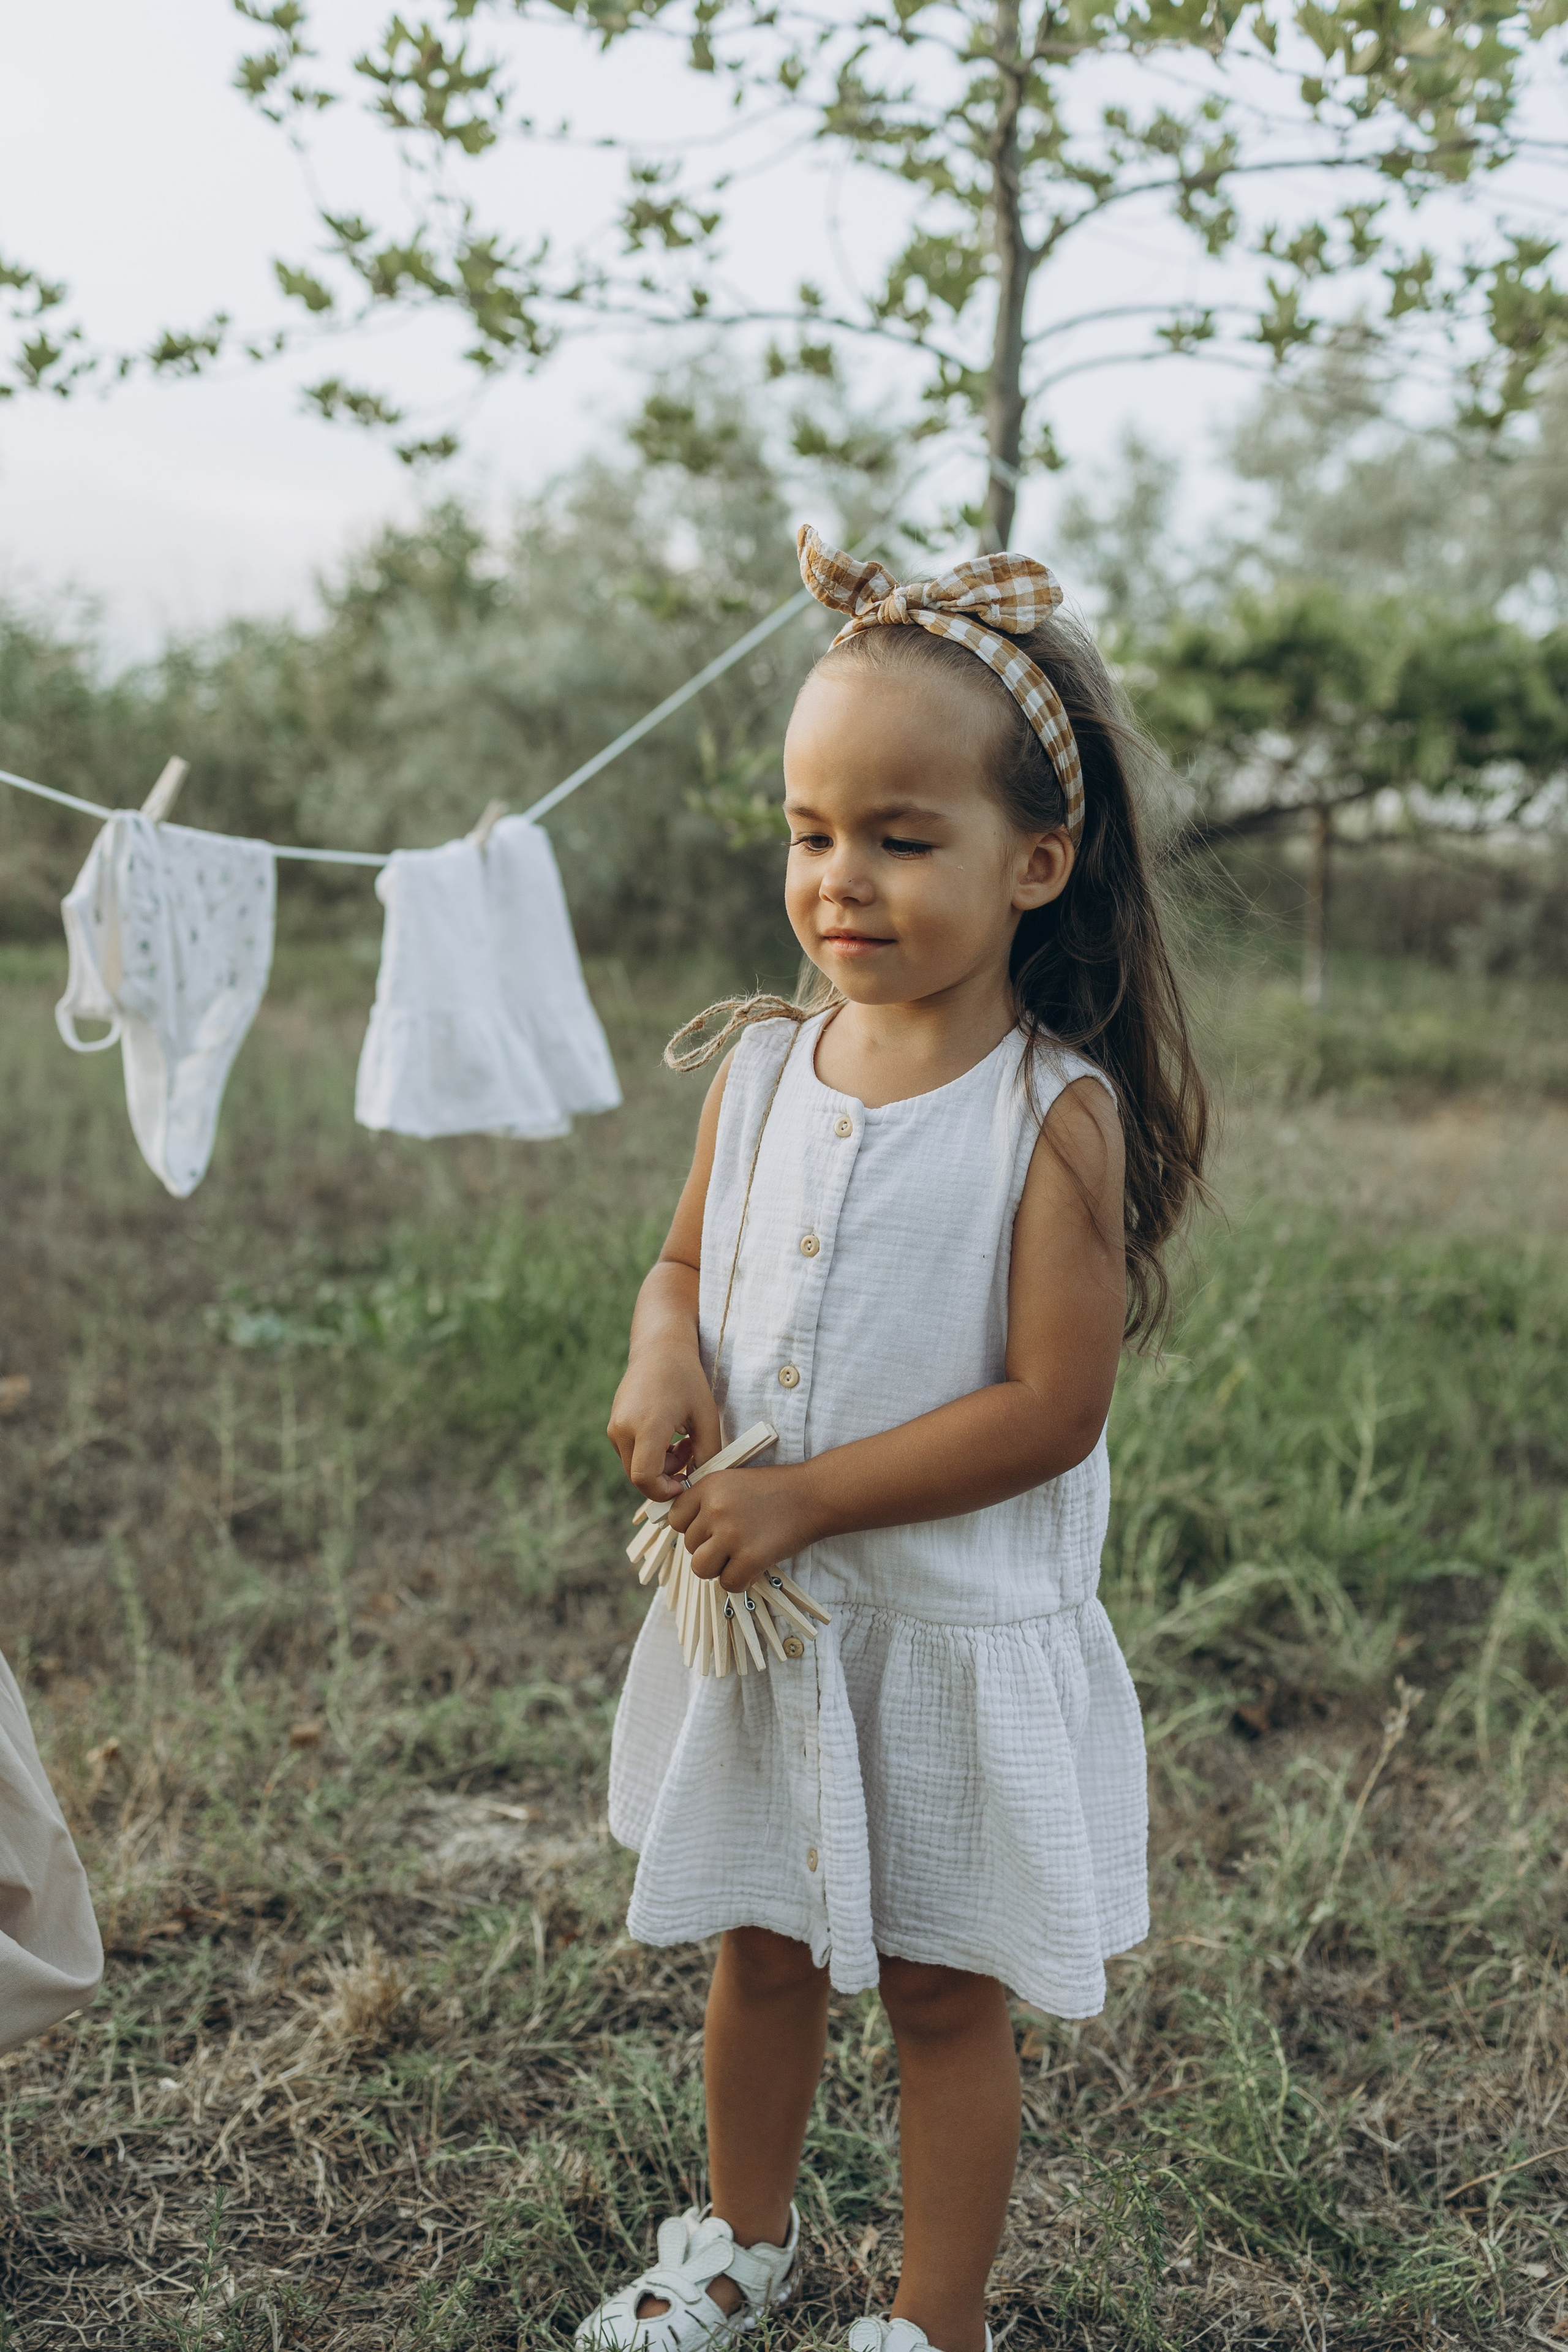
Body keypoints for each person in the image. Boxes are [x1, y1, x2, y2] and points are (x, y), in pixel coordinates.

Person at [584, 526, 1210, 2352]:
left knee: (943, 1992)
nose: (840, 880)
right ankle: (740, 2243)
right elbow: (685, 1262)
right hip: (775, 1632)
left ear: (1039, 860)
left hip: (936, 1637)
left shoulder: (1052, 1117)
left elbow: (1052, 1407)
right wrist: (658, 1358)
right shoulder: (766, 1065)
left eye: (899, 838)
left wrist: (807, 1497)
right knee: (758, 1952)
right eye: (810, 833)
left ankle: (937, 2325)